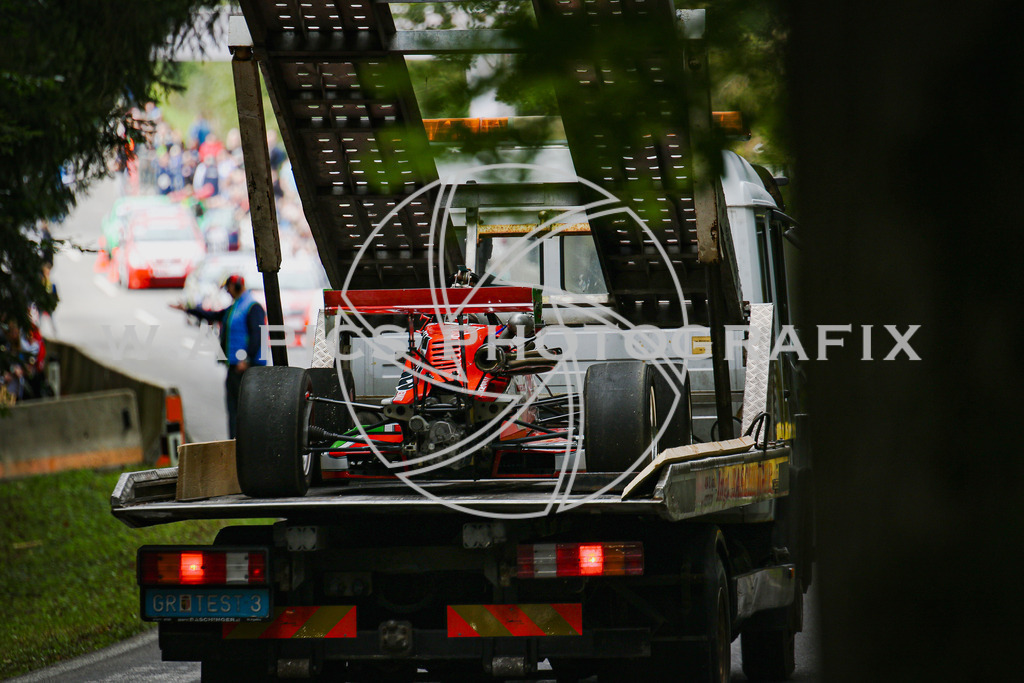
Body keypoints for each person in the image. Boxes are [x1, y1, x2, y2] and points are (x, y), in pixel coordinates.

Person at [171, 274, 267, 438]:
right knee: (234, 409)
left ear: (236, 286)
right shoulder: (235, 307)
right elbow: (212, 316)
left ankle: (247, 444)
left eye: (229, 288)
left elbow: (258, 336)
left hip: (247, 369)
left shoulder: (252, 307)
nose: (228, 292)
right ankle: (235, 444)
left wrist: (247, 360)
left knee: (246, 410)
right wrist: (187, 309)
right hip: (234, 366)